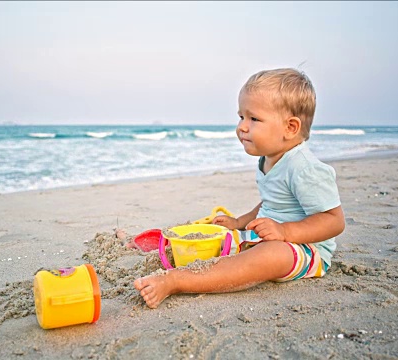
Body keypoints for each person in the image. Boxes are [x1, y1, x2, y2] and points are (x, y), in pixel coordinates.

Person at [134, 68, 345, 308]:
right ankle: (161, 245)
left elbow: (334, 221)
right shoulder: (269, 159)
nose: (242, 127)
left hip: (306, 251)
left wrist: (285, 232)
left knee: (267, 257)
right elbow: (271, 202)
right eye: (241, 117)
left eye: (253, 119)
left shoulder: (304, 168)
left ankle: (177, 281)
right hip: (269, 236)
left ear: (290, 128)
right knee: (219, 234)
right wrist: (238, 223)